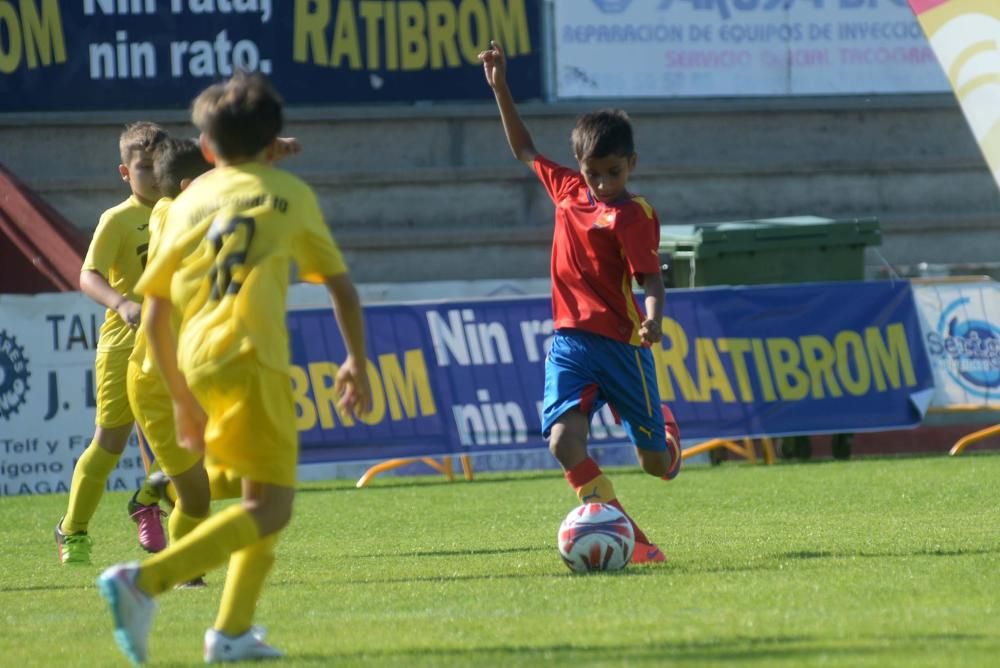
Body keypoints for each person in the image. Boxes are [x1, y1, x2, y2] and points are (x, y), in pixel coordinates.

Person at [97, 72, 371, 664]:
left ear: (210, 150)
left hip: (195, 360)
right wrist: (356, 363)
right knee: (272, 507)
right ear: (273, 140)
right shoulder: (289, 194)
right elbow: (343, 291)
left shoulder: (189, 199)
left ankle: (232, 633)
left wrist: (179, 398)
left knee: (258, 502)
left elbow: (154, 314)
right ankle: (143, 582)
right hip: (253, 356)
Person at [479, 41, 682, 564]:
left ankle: (666, 430)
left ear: (630, 165)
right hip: (570, 343)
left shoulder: (633, 216)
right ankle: (633, 540)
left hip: (623, 345)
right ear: (581, 166)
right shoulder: (568, 190)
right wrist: (501, 88)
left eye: (613, 172)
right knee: (564, 444)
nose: (602, 182)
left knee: (655, 464)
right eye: (594, 172)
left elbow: (651, 282)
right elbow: (525, 150)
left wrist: (654, 322)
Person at [126, 137, 242, 583]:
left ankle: (155, 495)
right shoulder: (170, 212)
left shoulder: (187, 218)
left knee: (216, 485)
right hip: (159, 384)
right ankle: (179, 568)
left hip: (192, 376)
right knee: (196, 497)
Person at [55, 122, 171, 565]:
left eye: (159, 165)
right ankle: (73, 529)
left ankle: (147, 500)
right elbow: (88, 274)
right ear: (125, 172)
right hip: (125, 343)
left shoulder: (179, 210)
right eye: (143, 168)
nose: (153, 175)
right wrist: (121, 303)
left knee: (188, 441)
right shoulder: (117, 220)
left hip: (172, 340)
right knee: (109, 444)